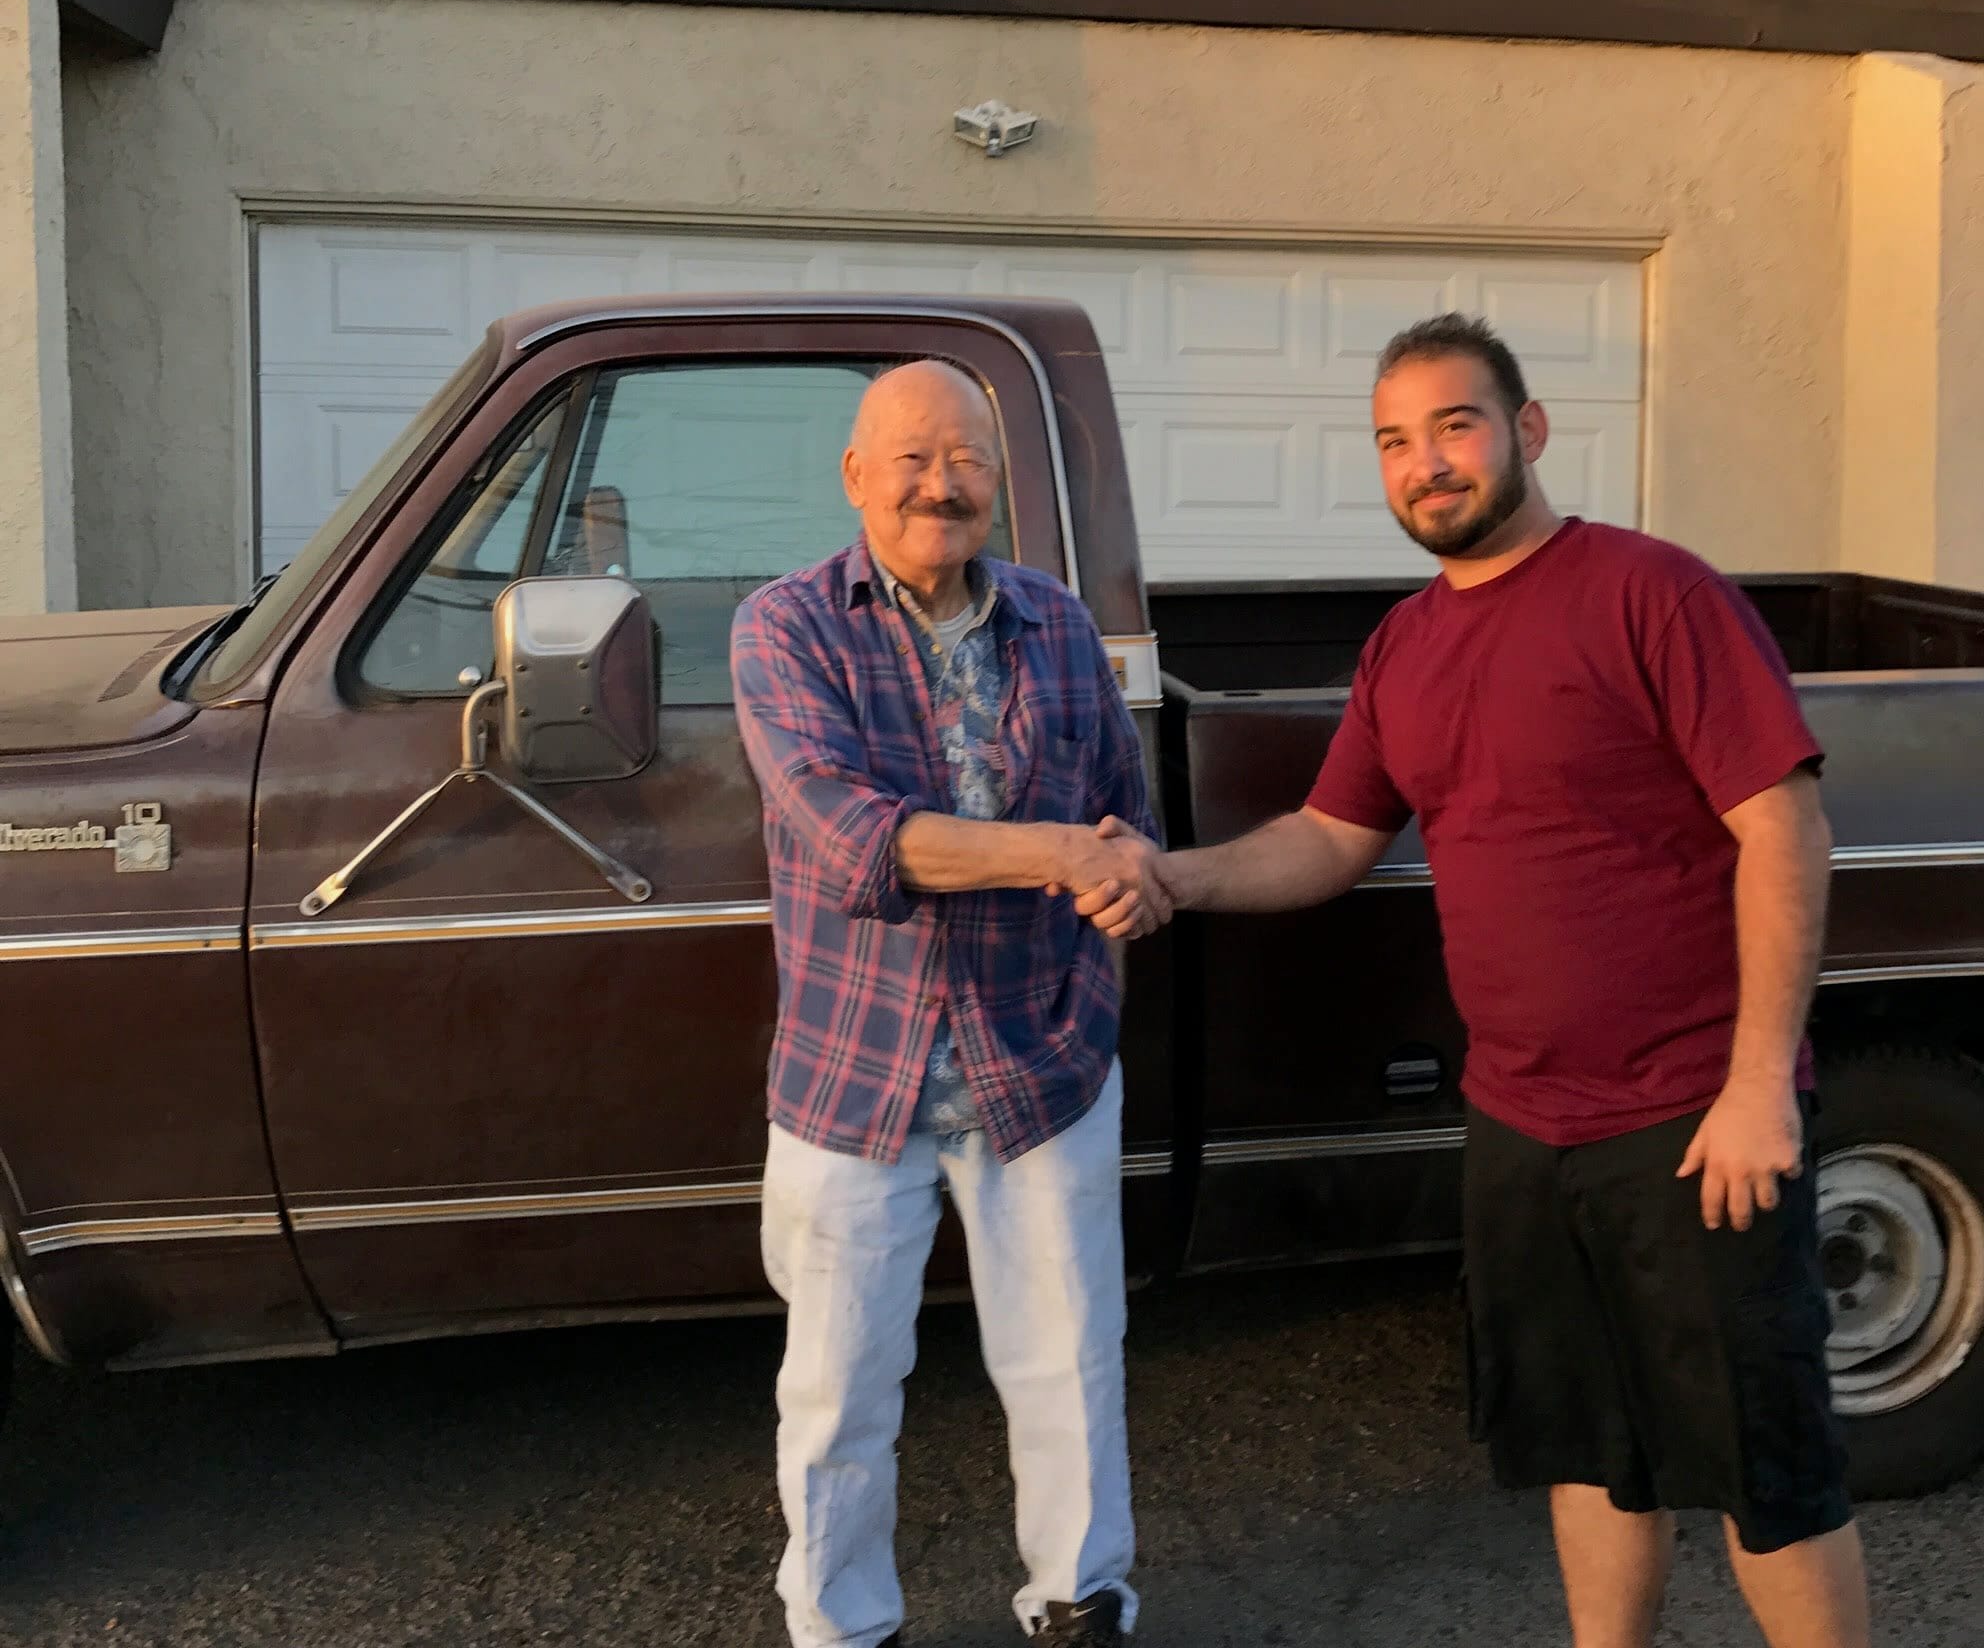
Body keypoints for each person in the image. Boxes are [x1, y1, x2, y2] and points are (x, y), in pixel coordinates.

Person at [1085, 313, 1871, 1648]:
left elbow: (1782, 826)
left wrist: (1756, 1087)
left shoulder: (1651, 595)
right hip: (1520, 1122)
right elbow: (1329, 841)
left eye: (1454, 426)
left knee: (1766, 1473)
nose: (1425, 464)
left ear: (1528, 431)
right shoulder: (1407, 648)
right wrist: (1173, 877)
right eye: (1396, 441)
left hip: (1693, 1119)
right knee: (1584, 1446)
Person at [731, 358, 1166, 1648]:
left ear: (999, 479)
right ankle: (843, 1627)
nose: (942, 483)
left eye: (968, 458)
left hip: (1043, 1062)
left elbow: (1124, 819)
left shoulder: (1060, 622)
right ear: (857, 478)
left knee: (1073, 1364)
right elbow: (850, 836)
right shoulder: (785, 626)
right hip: (854, 1077)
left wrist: (1128, 893)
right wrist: (1063, 856)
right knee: (838, 1390)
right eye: (911, 459)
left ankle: (1082, 1599)